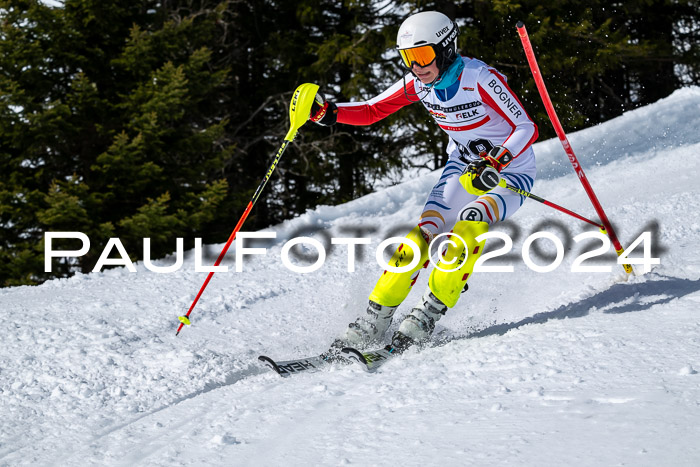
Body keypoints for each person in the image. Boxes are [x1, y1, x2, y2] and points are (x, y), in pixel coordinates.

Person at [309, 11, 538, 351]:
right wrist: (330, 113)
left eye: (422, 55)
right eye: (408, 58)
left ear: (446, 48)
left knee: (471, 222)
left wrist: (497, 159)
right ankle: (375, 317)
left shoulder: (479, 78)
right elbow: (373, 110)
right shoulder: (419, 84)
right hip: (464, 168)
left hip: (510, 172)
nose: (416, 67)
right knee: (422, 234)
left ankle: (428, 312)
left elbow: (527, 127)